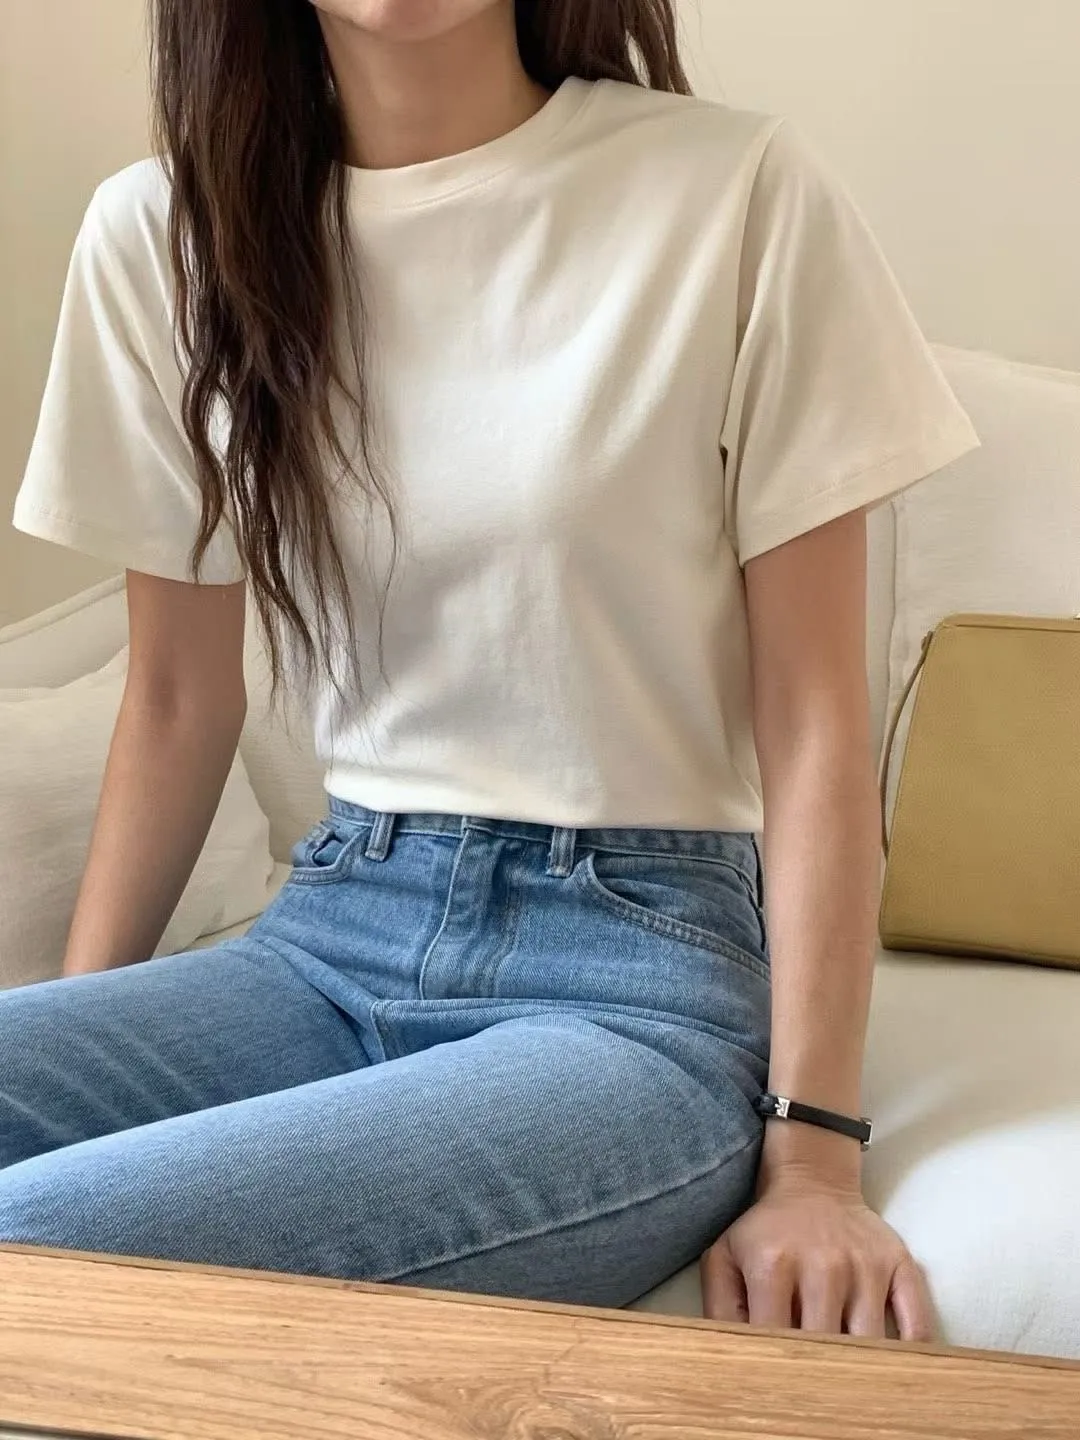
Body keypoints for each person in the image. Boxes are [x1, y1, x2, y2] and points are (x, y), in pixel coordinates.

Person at [3, 0, 977, 1338]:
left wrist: (813, 1159)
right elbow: (175, 699)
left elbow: (815, 722)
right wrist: (92, 1040)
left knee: (30, 1251)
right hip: (330, 934)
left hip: (635, 981)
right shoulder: (167, 234)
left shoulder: (733, 191)